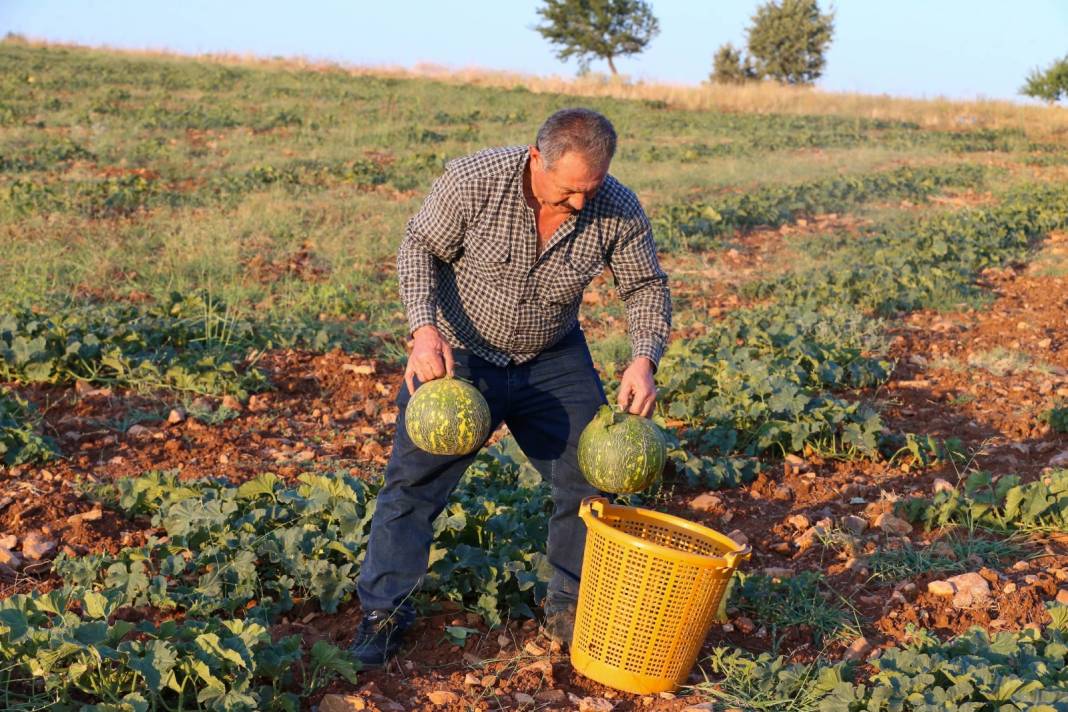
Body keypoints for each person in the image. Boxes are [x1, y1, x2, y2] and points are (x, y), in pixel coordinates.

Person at [350, 107, 672, 666]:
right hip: (458, 354)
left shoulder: (616, 207)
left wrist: (643, 360)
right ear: (535, 159)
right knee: (413, 484)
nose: (579, 205)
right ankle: (384, 610)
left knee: (590, 481)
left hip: (552, 357)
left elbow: (645, 287)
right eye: (568, 191)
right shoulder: (475, 180)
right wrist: (423, 330)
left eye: (588, 192)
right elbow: (418, 248)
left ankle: (571, 606)